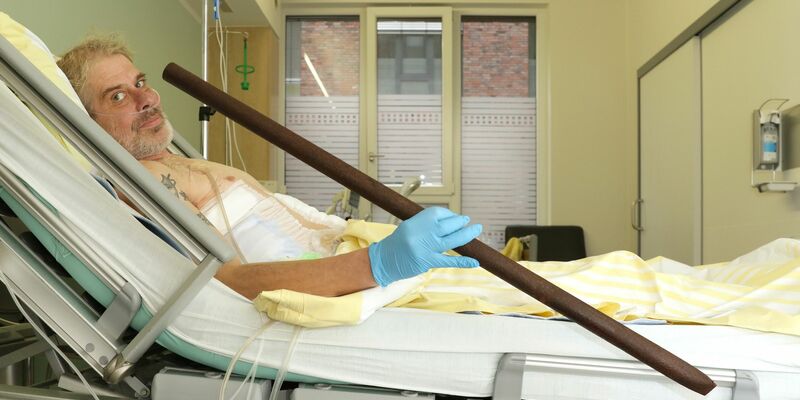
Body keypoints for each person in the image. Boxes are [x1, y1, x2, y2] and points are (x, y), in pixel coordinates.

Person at [56, 36, 482, 300]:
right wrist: (377, 263)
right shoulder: (142, 184)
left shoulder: (179, 161)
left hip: (342, 261)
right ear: (84, 122)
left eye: (140, 81)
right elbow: (229, 285)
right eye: (116, 97)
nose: (145, 98)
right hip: (349, 282)